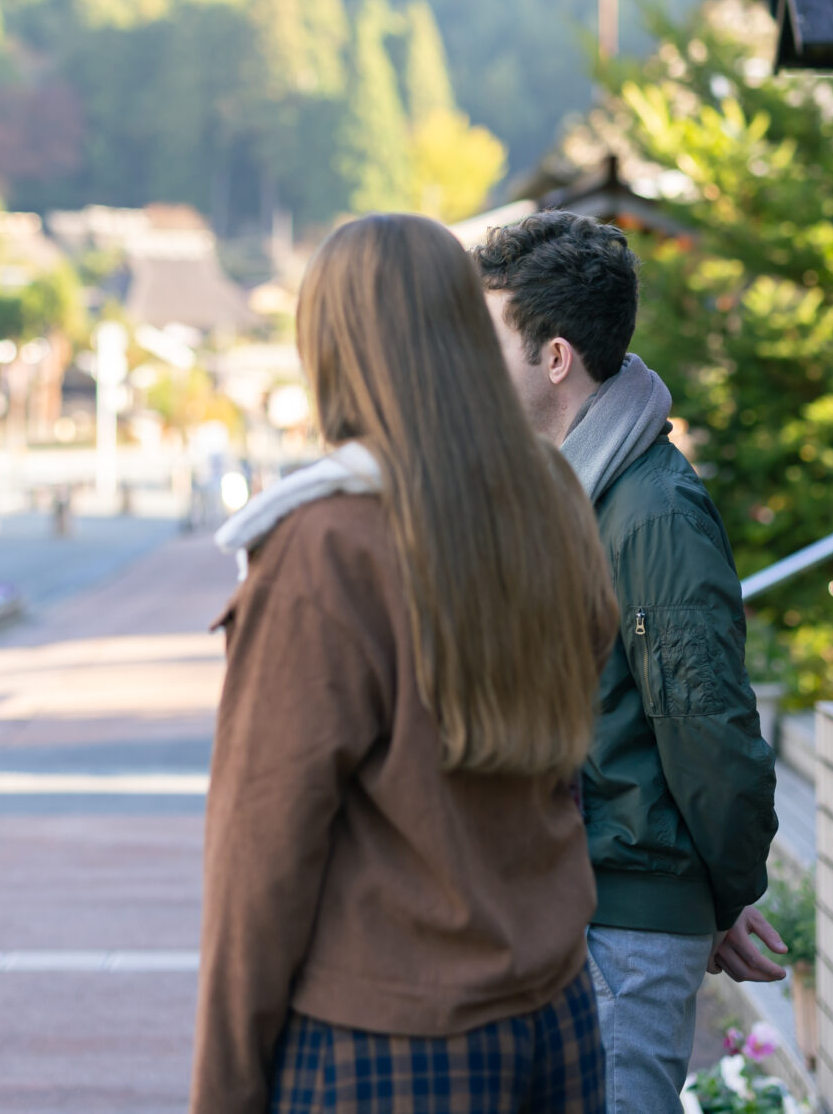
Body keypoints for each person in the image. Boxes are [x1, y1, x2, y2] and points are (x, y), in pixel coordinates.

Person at [194, 213, 620, 1114]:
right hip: (557, 1014)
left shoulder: (328, 542)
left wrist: (223, 1091)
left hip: (388, 1040)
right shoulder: (550, 496)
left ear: (331, 346)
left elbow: (261, 855)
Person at [475, 212, 783, 1114]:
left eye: (492, 337)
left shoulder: (651, 509)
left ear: (556, 355)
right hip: (581, 910)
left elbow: (709, 728)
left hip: (625, 929)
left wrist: (724, 893)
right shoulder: (575, 487)